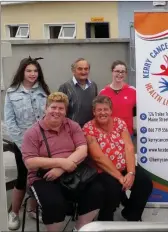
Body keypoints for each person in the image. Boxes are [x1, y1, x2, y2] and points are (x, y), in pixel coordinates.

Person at [21, 92, 103, 232]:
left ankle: (79, 228)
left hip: (71, 171)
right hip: (43, 177)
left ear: (66, 111)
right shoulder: (32, 132)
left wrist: (62, 168)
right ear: (45, 108)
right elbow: (30, 162)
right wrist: (61, 162)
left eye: (61, 108)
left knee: (98, 191)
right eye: (53, 107)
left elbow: (82, 149)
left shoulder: (72, 126)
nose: (57, 111)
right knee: (54, 204)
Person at [83, 95, 152, 221]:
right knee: (112, 189)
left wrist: (130, 173)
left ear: (111, 110)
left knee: (144, 182)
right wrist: (120, 177)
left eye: (106, 109)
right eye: (99, 110)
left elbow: (129, 148)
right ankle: (105, 219)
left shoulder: (119, 122)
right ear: (94, 112)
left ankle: (131, 214)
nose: (103, 113)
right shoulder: (88, 128)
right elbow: (98, 157)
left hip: (124, 166)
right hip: (103, 171)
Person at [4, 56, 50, 230]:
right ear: (22, 72)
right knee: (24, 177)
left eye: (35, 71)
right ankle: (14, 212)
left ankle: (32, 208)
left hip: (42, 141)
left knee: (37, 176)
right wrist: (24, 146)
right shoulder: (12, 93)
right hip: (22, 142)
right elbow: (10, 122)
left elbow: (48, 116)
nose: (32, 74)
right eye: (29, 70)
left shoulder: (44, 91)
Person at [99, 60, 136, 139]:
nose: (120, 74)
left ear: (125, 74)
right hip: (108, 133)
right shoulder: (103, 92)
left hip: (127, 133)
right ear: (112, 72)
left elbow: (139, 112)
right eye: (117, 71)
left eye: (123, 72)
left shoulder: (133, 91)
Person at [58, 58, 98, 128]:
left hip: (91, 129)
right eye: (80, 69)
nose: (83, 72)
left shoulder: (93, 86)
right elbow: (59, 111)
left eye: (86, 69)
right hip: (71, 130)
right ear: (73, 71)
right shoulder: (65, 87)